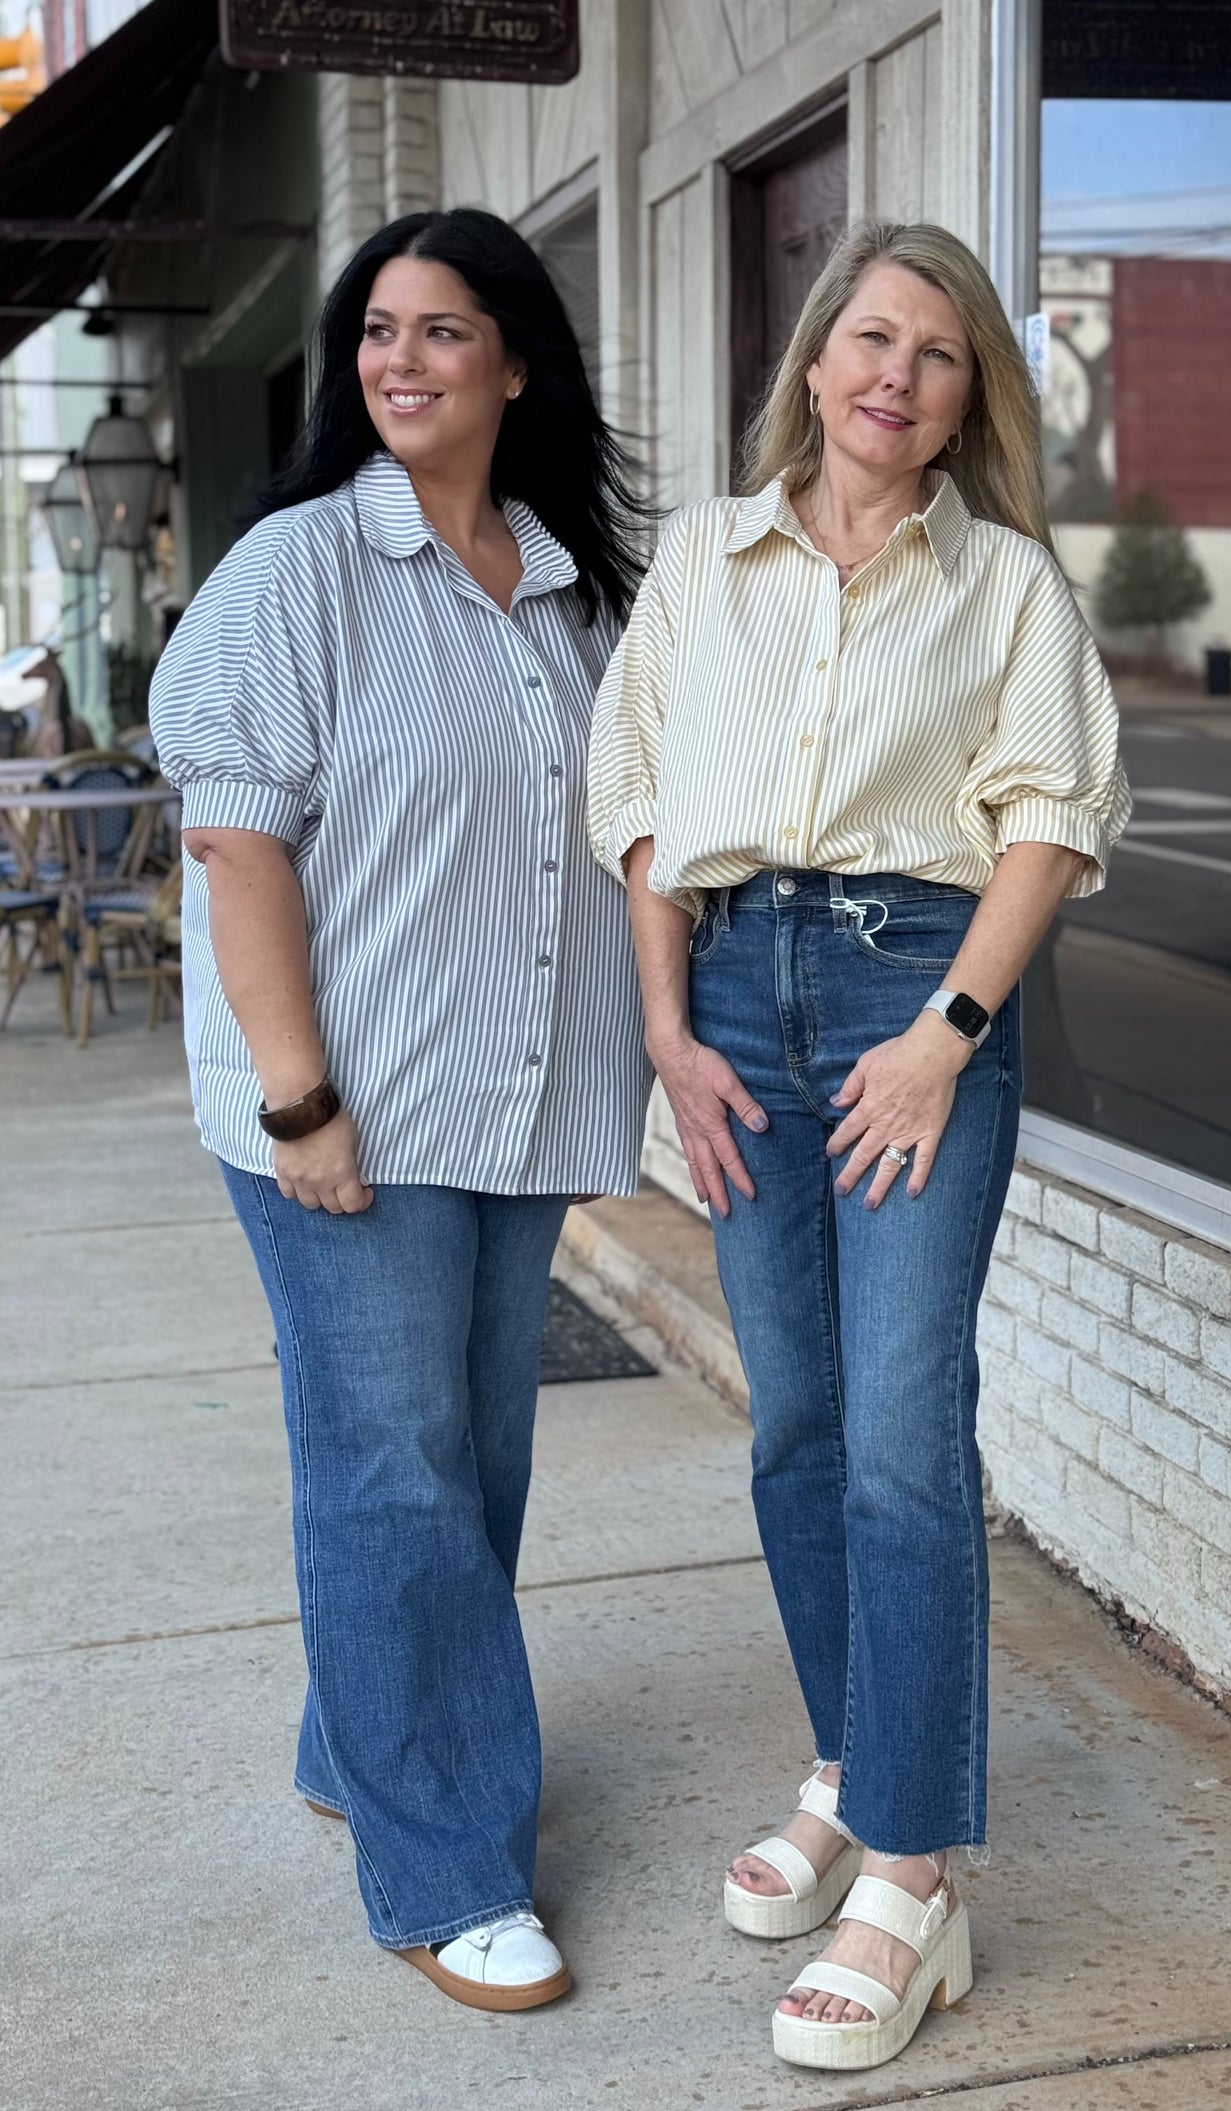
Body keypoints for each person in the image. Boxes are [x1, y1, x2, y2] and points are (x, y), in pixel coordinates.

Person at [588, 219, 1129, 2072]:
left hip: (920, 990)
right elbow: (646, 809)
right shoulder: (701, 567)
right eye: (869, 339)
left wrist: (946, 1041)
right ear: (814, 362)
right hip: (736, 1000)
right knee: (797, 1428)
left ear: (971, 396)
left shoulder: (1007, 592)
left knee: (901, 1433)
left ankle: (910, 1871)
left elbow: (1047, 825)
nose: (895, 374)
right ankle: (850, 1758)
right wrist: (667, 1027)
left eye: (940, 353)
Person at [149, 208, 651, 2010]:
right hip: (339, 1105)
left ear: (517, 362)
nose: (399, 360)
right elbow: (234, 841)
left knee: (468, 1462)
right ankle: (442, 1868)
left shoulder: (575, 587)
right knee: (396, 1468)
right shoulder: (299, 571)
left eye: (444, 331)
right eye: (377, 330)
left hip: (511, 1100)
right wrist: (300, 1108)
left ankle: (355, 1742)